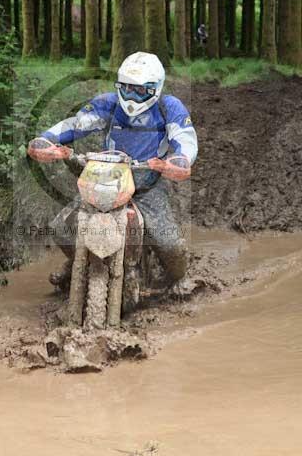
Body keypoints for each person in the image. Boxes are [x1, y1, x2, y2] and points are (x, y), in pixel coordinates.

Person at [28, 52, 198, 292]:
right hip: (107, 180)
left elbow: (185, 138)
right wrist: (46, 140)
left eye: (140, 90)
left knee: (167, 242)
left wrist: (181, 160)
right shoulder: (108, 103)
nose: (132, 95)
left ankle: (178, 279)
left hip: (147, 184)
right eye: (126, 88)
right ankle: (80, 262)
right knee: (61, 228)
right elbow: (76, 124)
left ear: (155, 88)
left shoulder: (168, 107)